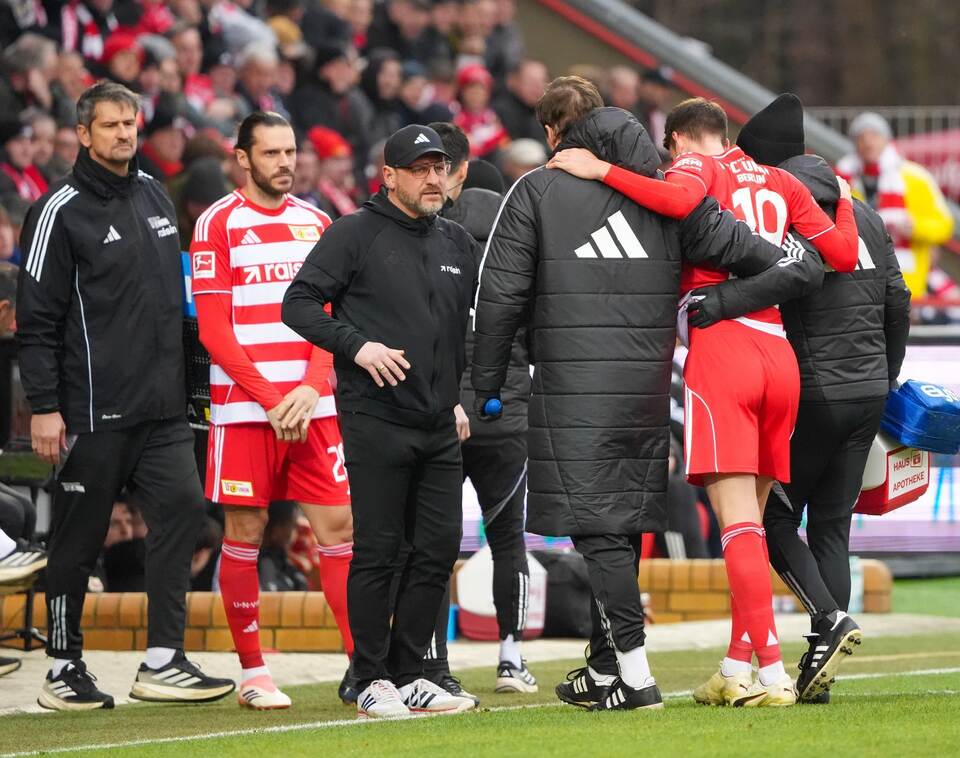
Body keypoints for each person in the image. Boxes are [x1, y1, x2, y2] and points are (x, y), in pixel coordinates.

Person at [473, 77, 824, 712]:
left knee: (601, 534)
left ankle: (632, 675)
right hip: (643, 394)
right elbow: (781, 262)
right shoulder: (672, 205)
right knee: (619, 528)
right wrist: (721, 301)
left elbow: (498, 297)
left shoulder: (537, 191)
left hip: (571, 391)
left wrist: (489, 383)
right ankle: (613, 670)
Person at [548, 96, 860, 707]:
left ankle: (768, 675)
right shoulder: (783, 181)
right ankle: (734, 664)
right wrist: (844, 199)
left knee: (738, 524)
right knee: (759, 524)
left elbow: (678, 201)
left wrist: (600, 170)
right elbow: (842, 255)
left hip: (724, 352)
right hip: (780, 357)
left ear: (683, 141)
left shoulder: (698, 167)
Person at [16, 81, 235, 711]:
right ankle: (63, 667)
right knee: (77, 542)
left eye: (130, 124)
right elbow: (37, 321)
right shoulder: (57, 210)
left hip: (162, 409)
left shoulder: (152, 194)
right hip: (90, 411)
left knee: (186, 513)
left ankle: (164, 660)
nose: (123, 134)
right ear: (83, 134)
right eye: (110, 125)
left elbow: (173, 305)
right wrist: (46, 406)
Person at [708, 94, 911, 703]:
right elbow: (897, 303)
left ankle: (827, 620)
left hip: (813, 392)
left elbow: (786, 282)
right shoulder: (861, 211)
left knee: (769, 517)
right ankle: (821, 672)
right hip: (868, 390)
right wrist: (885, 377)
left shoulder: (781, 210)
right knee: (831, 525)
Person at [282, 124, 478, 719]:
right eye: (418, 168)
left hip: (440, 420)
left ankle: (408, 671)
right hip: (376, 418)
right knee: (380, 549)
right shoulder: (354, 233)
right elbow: (298, 303)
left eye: (439, 167)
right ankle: (367, 676)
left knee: (439, 548)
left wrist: (459, 393)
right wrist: (357, 346)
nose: (432, 177)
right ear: (388, 175)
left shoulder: (457, 242)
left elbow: (459, 330)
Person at [190, 110, 354, 710]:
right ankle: (255, 672)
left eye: (291, 152)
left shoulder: (318, 222)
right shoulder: (216, 225)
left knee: (339, 530)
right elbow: (214, 331)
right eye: (272, 153)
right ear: (243, 157)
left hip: (315, 406)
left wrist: (311, 387)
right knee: (247, 532)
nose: (285, 163)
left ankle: (363, 667)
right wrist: (271, 398)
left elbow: (328, 318)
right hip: (244, 410)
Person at [421, 122, 535, 698]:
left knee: (436, 540)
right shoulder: (520, 258)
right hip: (507, 415)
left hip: (444, 413)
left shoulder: (433, 245)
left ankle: (433, 659)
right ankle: (511, 658)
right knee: (509, 537)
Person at [837, 111, 954, 301]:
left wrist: (915, 228)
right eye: (861, 137)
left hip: (908, 284)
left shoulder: (915, 177)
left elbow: (944, 225)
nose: (868, 143)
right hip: (859, 285)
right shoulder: (843, 179)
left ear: (887, 139)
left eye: (874, 135)